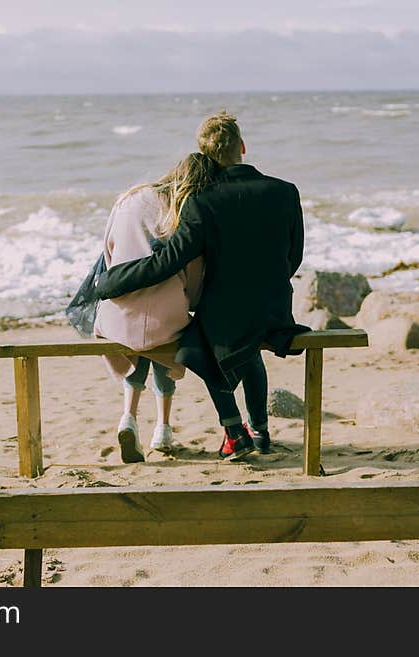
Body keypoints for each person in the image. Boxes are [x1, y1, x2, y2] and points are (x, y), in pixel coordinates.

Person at [95, 111, 306, 462]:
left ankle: (234, 430)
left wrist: (112, 282)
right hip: (275, 310)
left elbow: (169, 261)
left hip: (225, 315)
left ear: (204, 153)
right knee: (250, 344)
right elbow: (293, 257)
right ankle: (261, 431)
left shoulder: (201, 201)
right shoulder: (284, 191)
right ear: (242, 146)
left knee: (195, 346)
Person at [93, 152, 219, 463]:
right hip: (165, 318)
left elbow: (108, 252)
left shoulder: (130, 198)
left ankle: (128, 417)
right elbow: (192, 275)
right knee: (167, 333)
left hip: (117, 315)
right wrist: (190, 299)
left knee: (138, 342)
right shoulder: (181, 211)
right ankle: (163, 427)